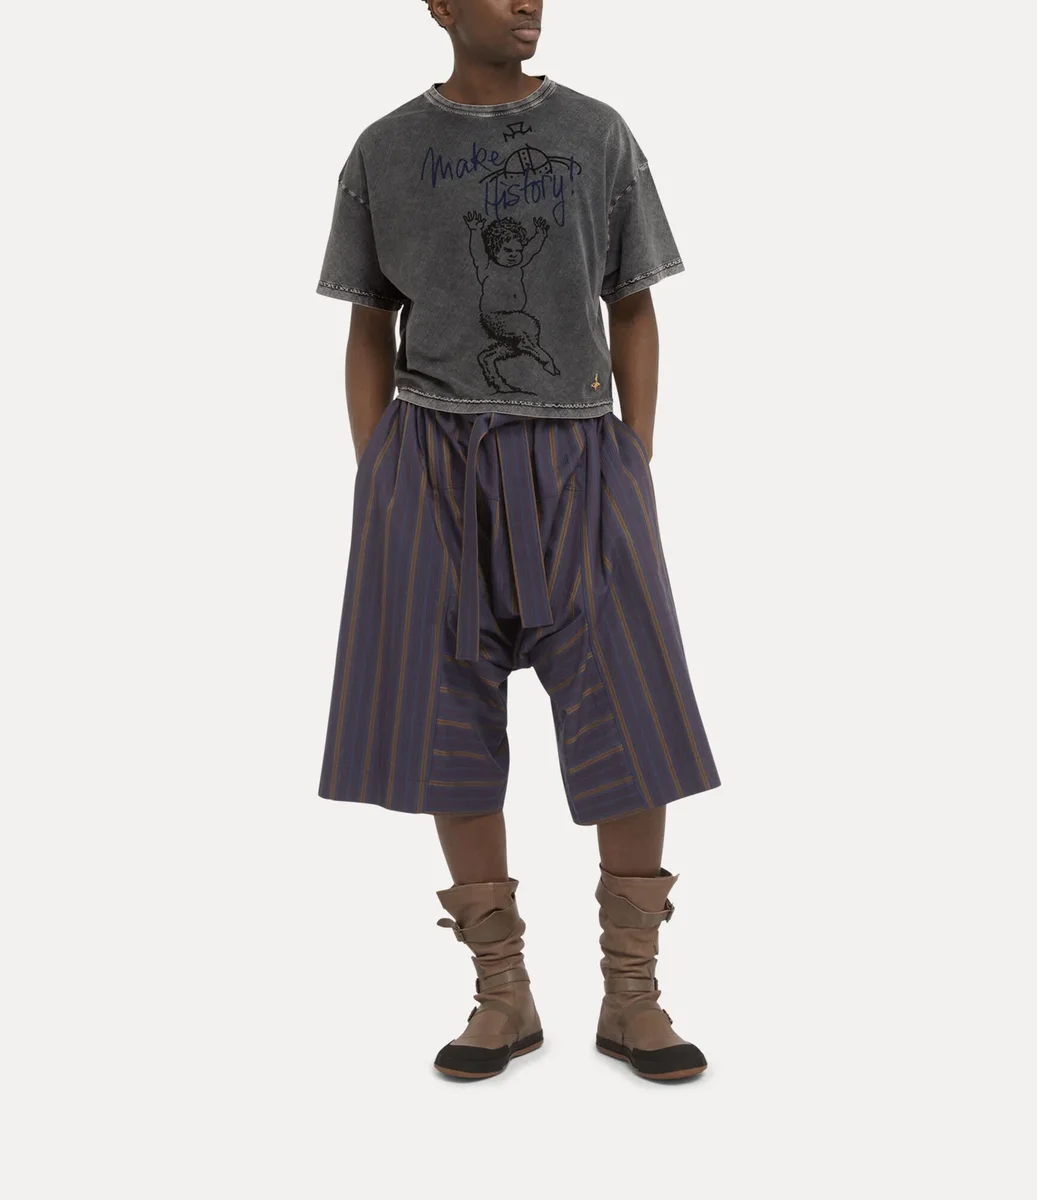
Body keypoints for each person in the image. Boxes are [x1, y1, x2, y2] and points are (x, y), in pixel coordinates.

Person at [314, 0, 722, 1082]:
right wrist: (378, 473)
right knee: (445, 714)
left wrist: (630, 458)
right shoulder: (385, 148)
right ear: (440, 5)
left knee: (628, 709)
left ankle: (632, 994)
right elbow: (367, 322)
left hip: (580, 452)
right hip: (428, 461)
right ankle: (501, 993)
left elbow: (633, 305)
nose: (527, 2)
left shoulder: (595, 133)